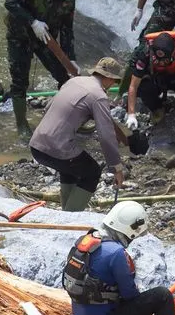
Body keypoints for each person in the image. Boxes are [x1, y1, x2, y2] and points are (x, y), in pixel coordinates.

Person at [28, 57, 125, 212]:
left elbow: (48, 108)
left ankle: (66, 212)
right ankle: (71, 217)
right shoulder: (99, 96)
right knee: (92, 172)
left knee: (70, 168)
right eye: (114, 81)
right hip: (56, 149)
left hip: (36, 144)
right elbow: (106, 136)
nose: (113, 85)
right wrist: (116, 168)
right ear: (108, 78)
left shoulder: (74, 81)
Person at [5, 0, 90, 137]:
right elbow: (10, 2)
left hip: (46, 39)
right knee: (20, 82)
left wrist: (71, 58)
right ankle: (22, 126)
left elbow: (67, 29)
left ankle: (74, 120)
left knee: (65, 78)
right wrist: (32, 21)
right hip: (20, 37)